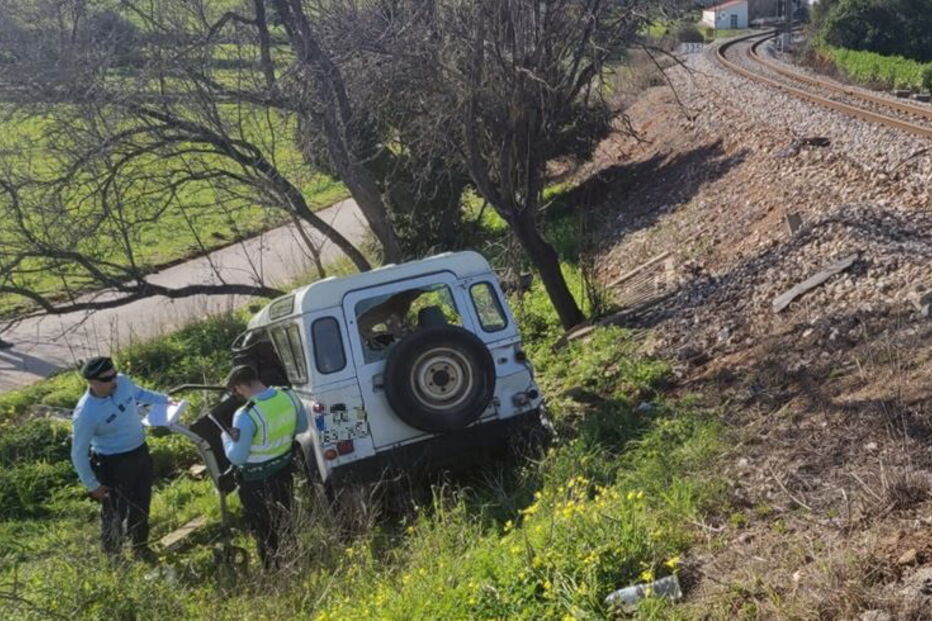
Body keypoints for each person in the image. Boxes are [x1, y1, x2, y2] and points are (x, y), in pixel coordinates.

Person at [70, 356, 171, 563]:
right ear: (92, 382)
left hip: (139, 453)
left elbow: (140, 393)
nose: (114, 381)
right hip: (112, 464)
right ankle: (114, 556)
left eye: (114, 375)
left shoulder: (122, 382)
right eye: (108, 379)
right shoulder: (86, 413)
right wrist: (92, 485)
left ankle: (140, 547)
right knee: (114, 513)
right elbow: (78, 452)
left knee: (142, 504)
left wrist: (164, 400)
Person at [221, 365, 308, 570]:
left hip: (255, 481)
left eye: (236, 390)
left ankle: (273, 569)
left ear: (241, 386)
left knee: (264, 529)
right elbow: (302, 427)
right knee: (286, 519)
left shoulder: (245, 414)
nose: (237, 395)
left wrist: (225, 438)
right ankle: (293, 560)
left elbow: (238, 457)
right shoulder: (288, 395)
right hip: (284, 470)